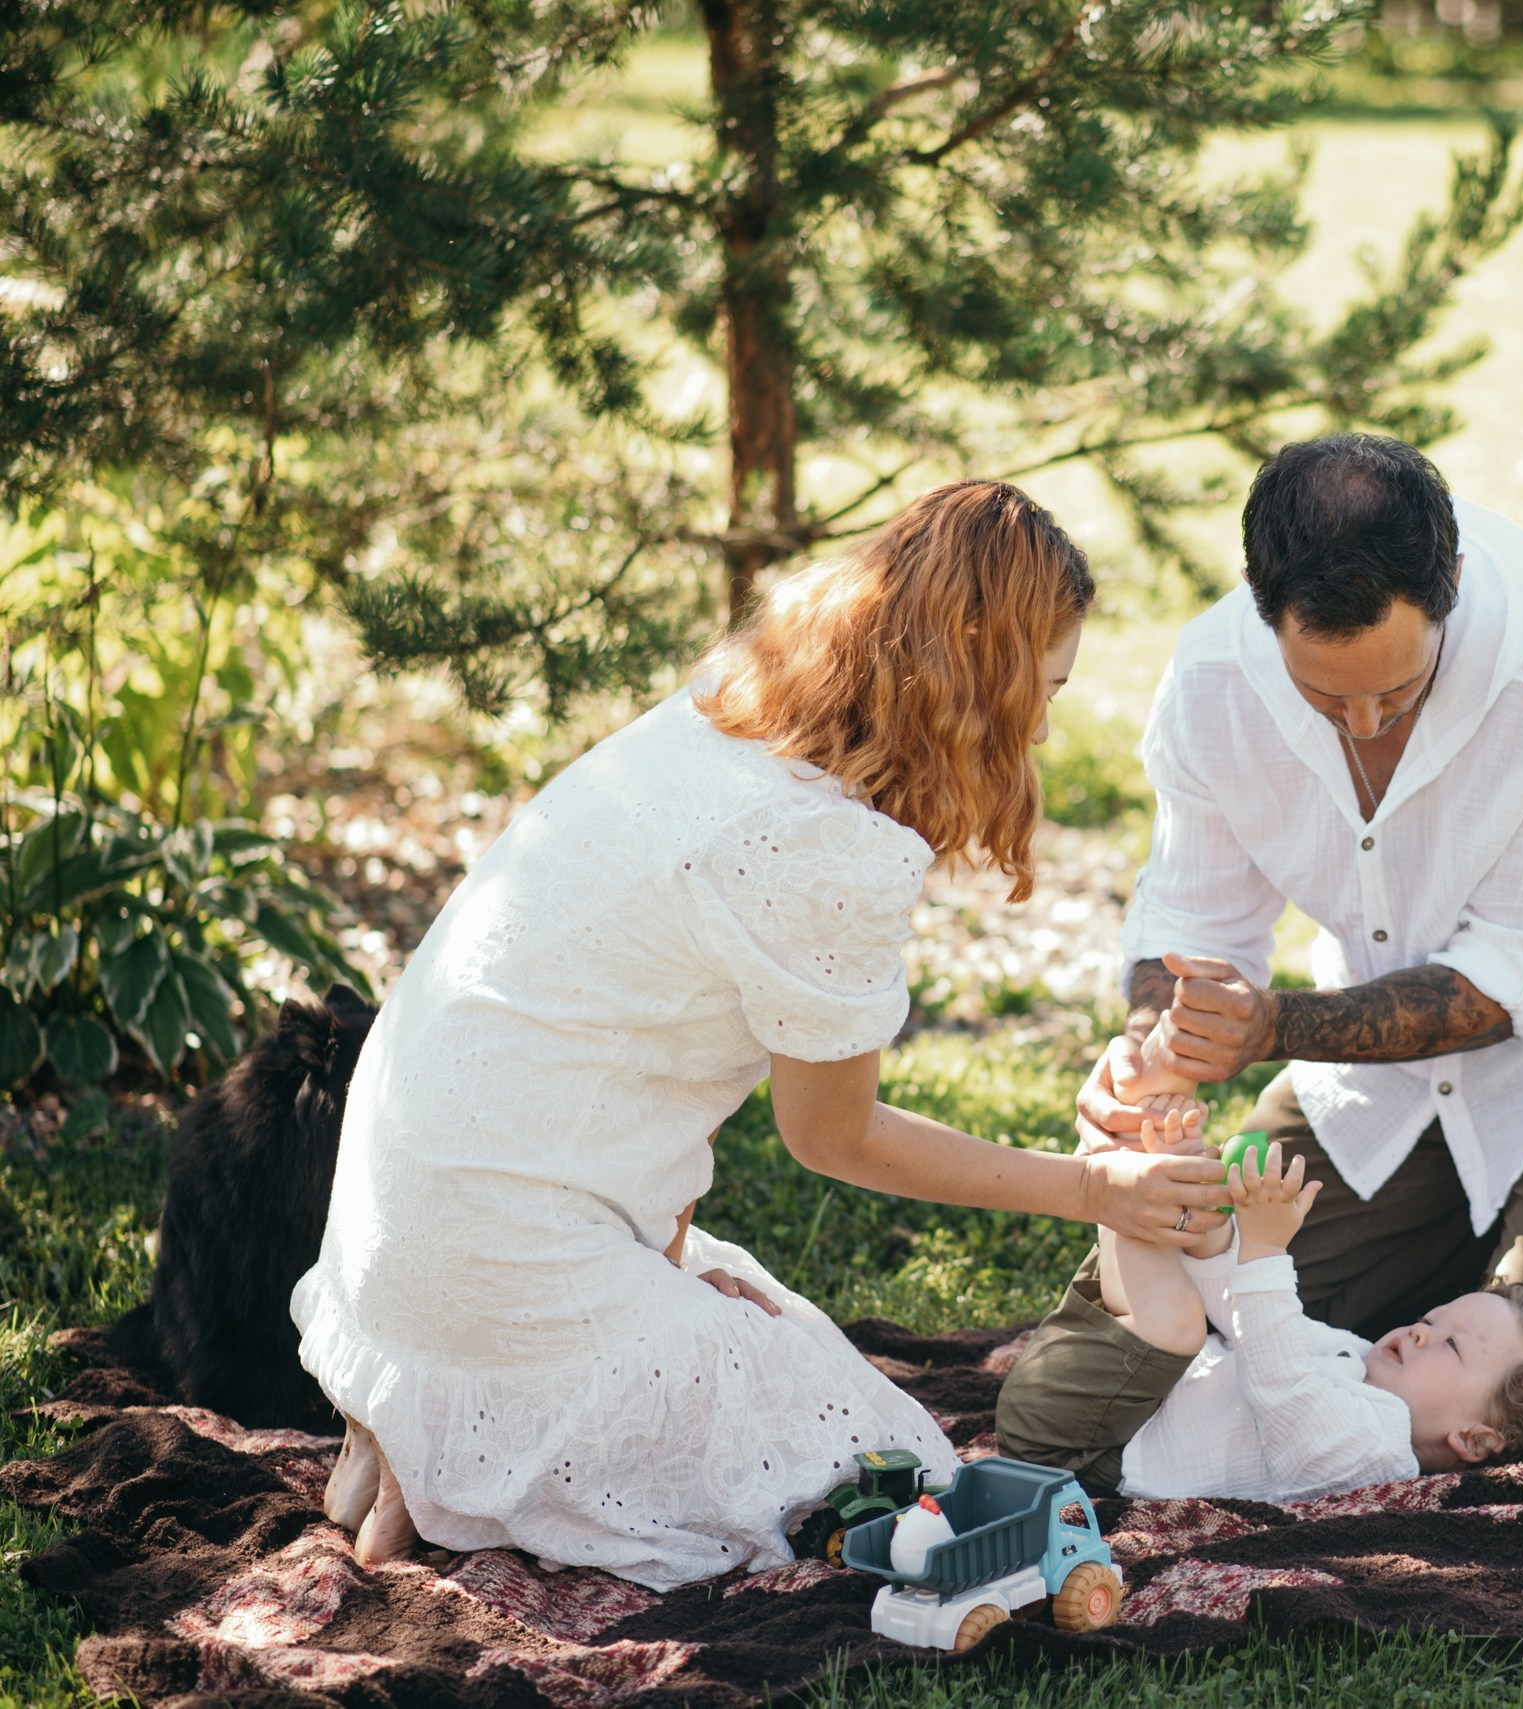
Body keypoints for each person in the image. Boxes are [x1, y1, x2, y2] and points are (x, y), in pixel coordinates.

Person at [293, 482, 1231, 1591]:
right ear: (983, 672)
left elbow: (597, 1051)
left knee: (767, 1341)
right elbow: (836, 1135)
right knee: (893, 1471)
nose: (1039, 724)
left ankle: (436, 1433)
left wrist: (671, 1255)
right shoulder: (826, 845)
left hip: (398, 1222)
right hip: (493, 1252)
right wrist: (1095, 1187)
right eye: (1046, 687)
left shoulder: (729, 705)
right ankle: (478, 1456)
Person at [1078, 434, 1523, 1411]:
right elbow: (1193, 913)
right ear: (1262, 603)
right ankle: (1492, 1223)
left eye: (1398, 687)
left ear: (1452, 580)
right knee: (1183, 1304)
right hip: (1368, 1061)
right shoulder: (1209, 680)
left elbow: (1502, 981)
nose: (1367, 722)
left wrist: (1273, 1028)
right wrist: (1154, 1040)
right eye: (1326, 695)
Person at [994, 1124, 1523, 1500]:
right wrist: (1215, 1235)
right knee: (1185, 1282)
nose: (1423, 1331)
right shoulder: (1354, 1357)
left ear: (1473, 1439)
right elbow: (1244, 1318)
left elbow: (1279, 1385)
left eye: (1450, 1346)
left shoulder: (1373, 1451)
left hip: (1081, 1447)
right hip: (1114, 1392)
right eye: (1436, 1318)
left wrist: (1265, 1247)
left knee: (1177, 1326)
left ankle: (1116, 1179)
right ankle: (1145, 1180)